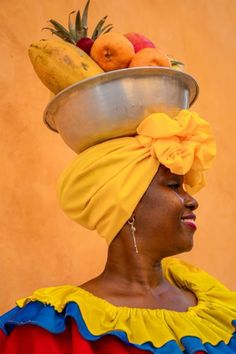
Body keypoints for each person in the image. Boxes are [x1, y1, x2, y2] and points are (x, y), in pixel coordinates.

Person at [0, 109, 236, 354]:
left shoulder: (217, 305)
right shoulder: (54, 331)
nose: (191, 200)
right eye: (174, 185)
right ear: (127, 204)